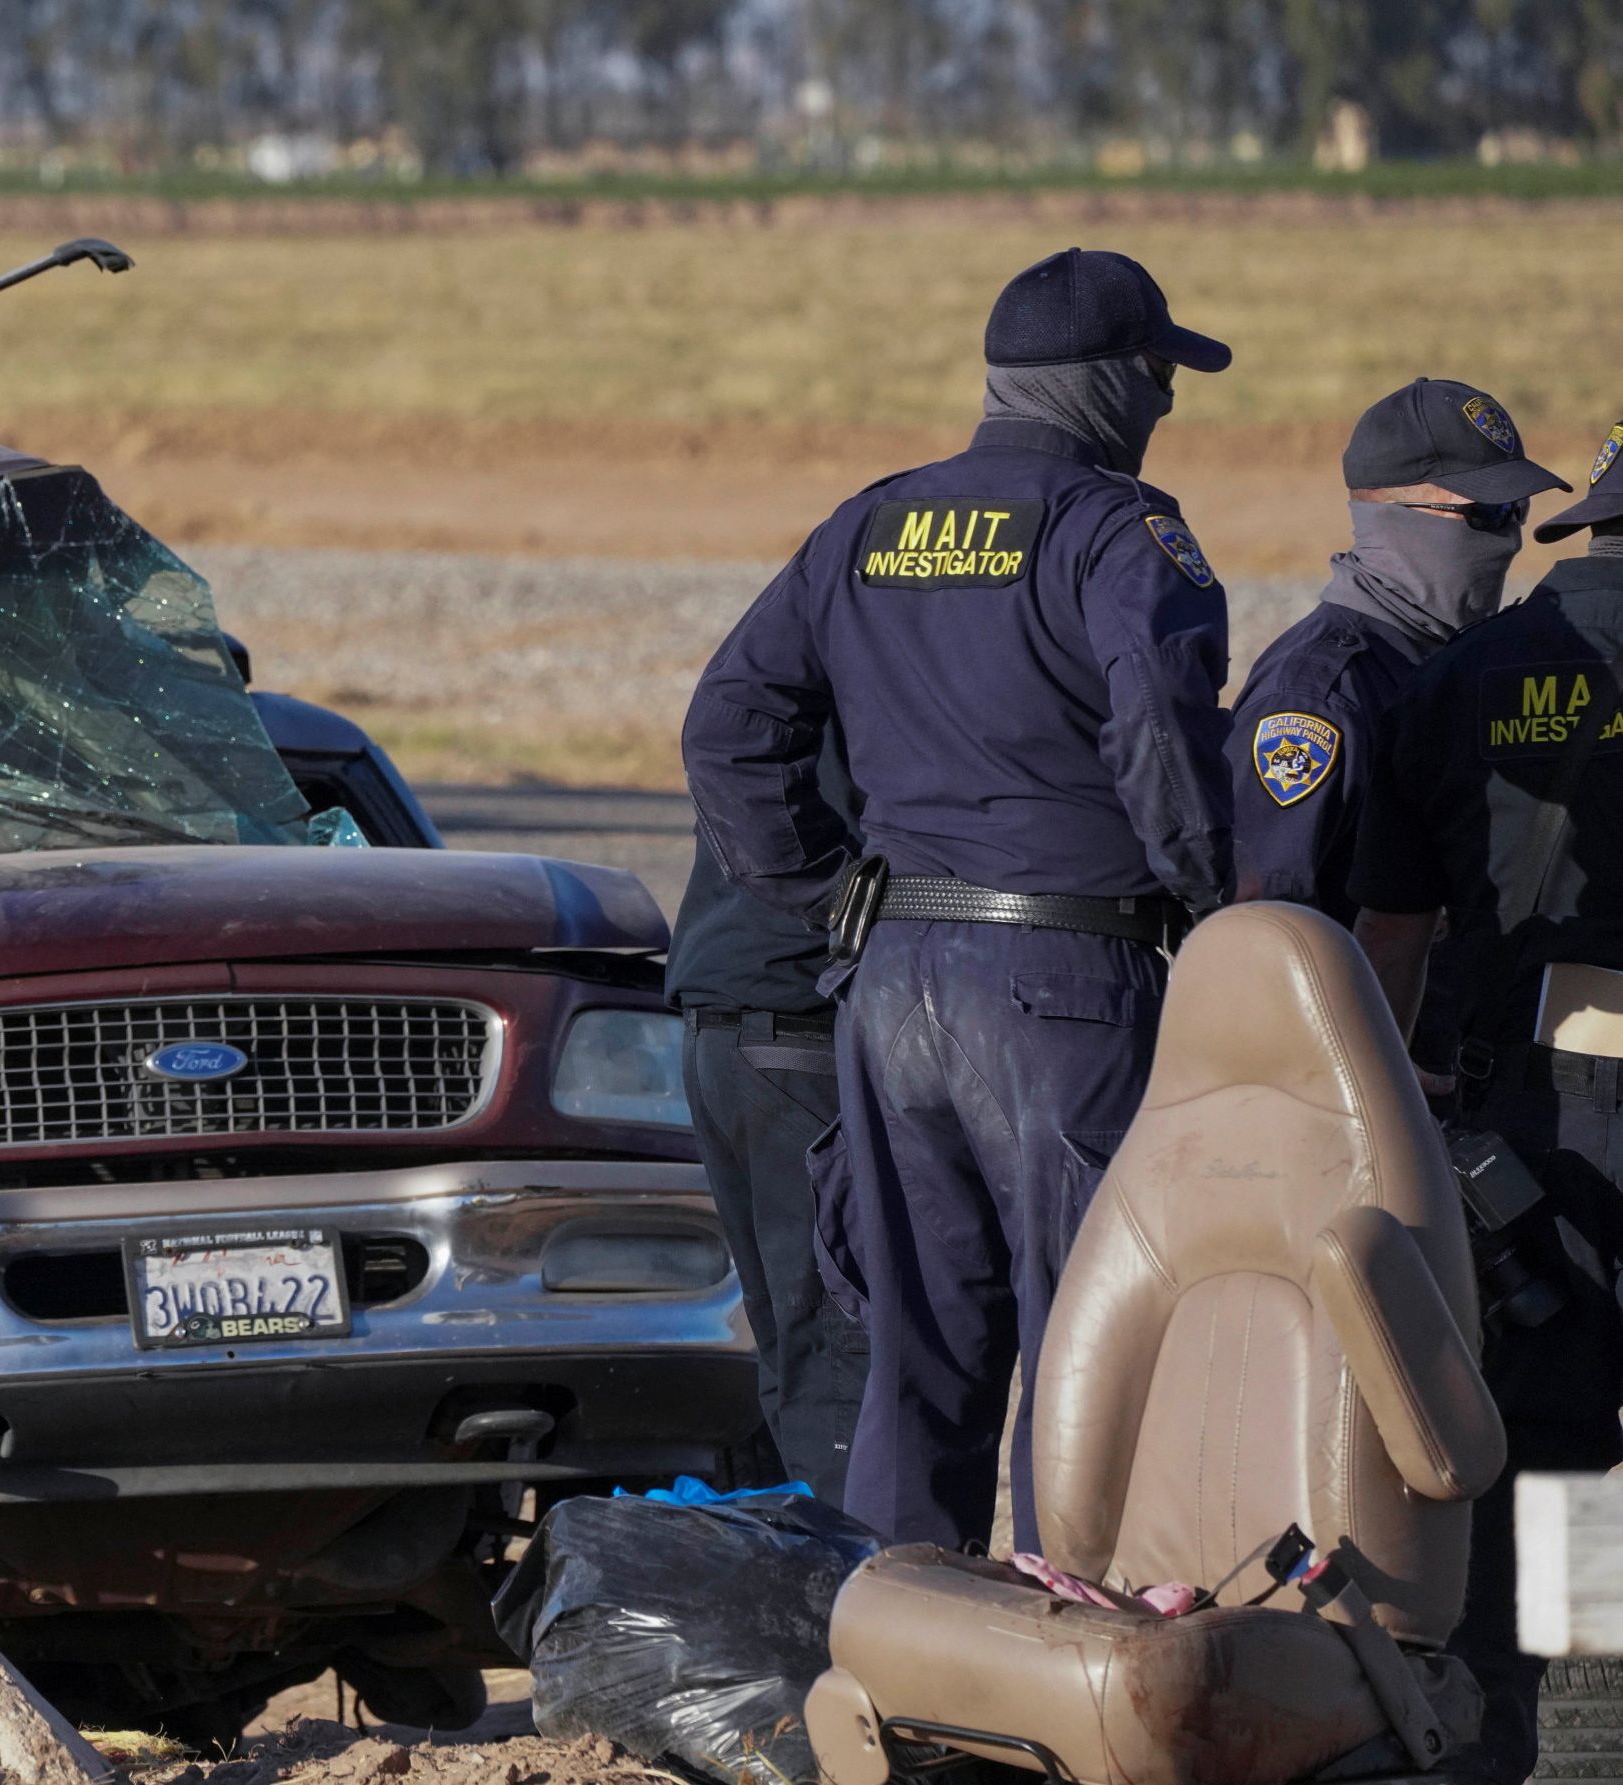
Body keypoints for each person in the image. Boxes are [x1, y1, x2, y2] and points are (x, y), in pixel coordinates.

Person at [682, 247, 1237, 1555]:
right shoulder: (1118, 528)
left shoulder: (868, 523)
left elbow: (727, 725)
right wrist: (1214, 902)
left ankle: (893, 1681)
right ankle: (1069, 1678)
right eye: (1159, 374)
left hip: (891, 989)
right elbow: (1161, 720)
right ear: (1110, 384)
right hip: (1063, 988)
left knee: (913, 1361)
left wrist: (827, 893)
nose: (1164, 402)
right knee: (1084, 1355)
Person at [1350, 426, 1623, 1785]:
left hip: (1525, 1125)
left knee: (1554, 1450)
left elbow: (1391, 935)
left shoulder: (1467, 675)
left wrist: (1388, 1118)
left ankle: (1557, 1745)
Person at [1230, 381, 1569, 919]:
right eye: (1486, 514)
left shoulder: (1457, 667)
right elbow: (1265, 926)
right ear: (1392, 515)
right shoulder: (1321, 697)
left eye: (1516, 510)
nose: (1511, 538)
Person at [666, 733, 870, 1504]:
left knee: (790, 1340)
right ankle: (849, 1590)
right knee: (833, 1342)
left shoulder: (772, 678)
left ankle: (806, 1575)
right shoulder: (869, 670)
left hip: (719, 1021)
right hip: (794, 1021)